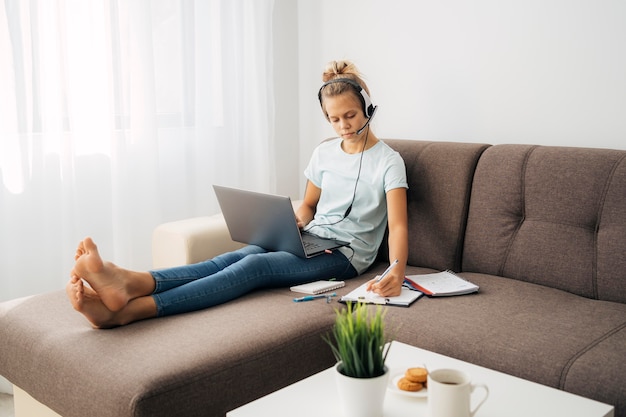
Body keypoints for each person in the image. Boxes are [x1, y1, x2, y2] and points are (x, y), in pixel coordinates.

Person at [66, 60, 409, 328]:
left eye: (350, 115)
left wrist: (396, 269)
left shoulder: (388, 163)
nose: (343, 126)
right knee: (228, 259)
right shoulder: (324, 153)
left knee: (253, 268)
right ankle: (126, 281)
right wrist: (293, 223)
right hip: (310, 238)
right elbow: (307, 205)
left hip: (346, 256)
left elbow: (397, 226)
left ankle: (129, 312)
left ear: (367, 108)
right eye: (334, 119)